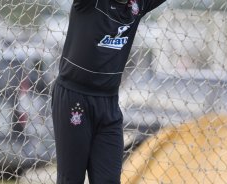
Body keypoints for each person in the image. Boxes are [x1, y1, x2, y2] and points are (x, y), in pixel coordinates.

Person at [51, 0, 166, 183]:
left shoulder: (137, 6)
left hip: (109, 105)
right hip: (75, 99)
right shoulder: (89, 4)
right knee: (70, 179)